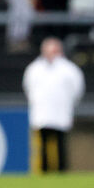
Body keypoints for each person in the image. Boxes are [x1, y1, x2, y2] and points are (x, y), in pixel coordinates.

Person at [22, 37, 84, 172]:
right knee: (43, 143)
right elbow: (28, 87)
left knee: (61, 143)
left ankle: (62, 170)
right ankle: (44, 170)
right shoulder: (34, 69)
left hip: (61, 112)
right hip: (42, 112)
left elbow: (77, 89)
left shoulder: (69, 70)